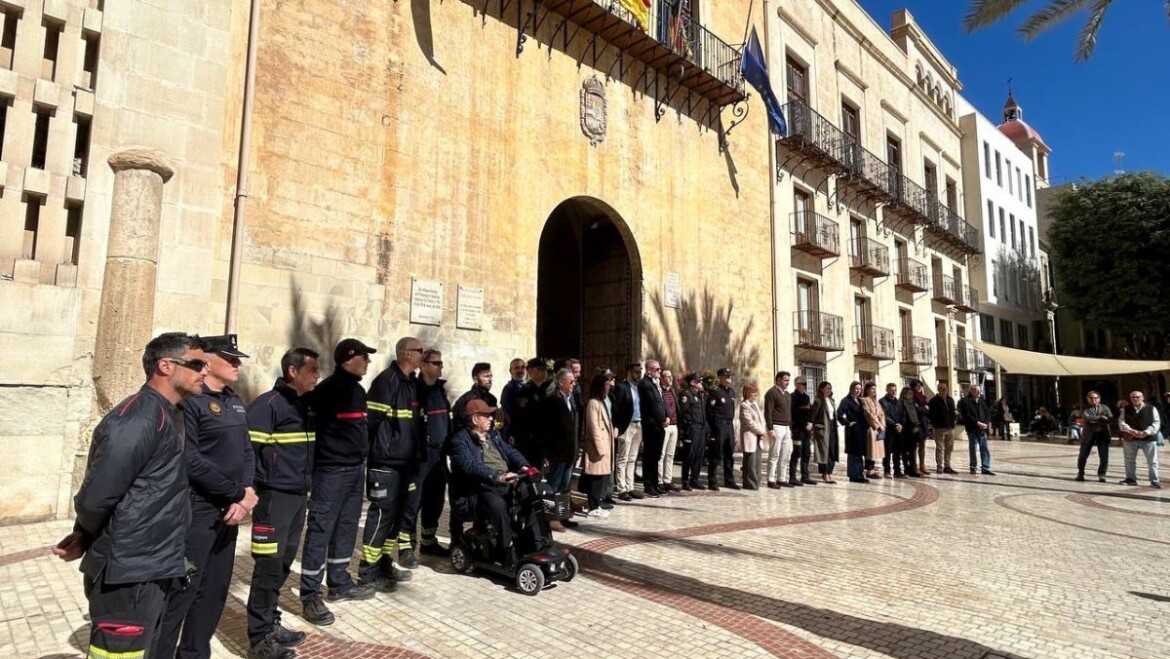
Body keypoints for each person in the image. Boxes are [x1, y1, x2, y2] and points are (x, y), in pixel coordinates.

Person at [53, 333, 206, 659]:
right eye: (196, 364)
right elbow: (96, 497)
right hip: (129, 572)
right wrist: (85, 533)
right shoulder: (139, 418)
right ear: (165, 366)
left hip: (154, 566)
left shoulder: (170, 412)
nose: (204, 371)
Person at [156, 334, 258, 659]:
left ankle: (195, 654)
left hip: (229, 512)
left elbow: (247, 450)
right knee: (182, 592)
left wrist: (245, 494)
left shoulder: (234, 400)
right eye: (230, 358)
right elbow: (191, 459)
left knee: (214, 592)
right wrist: (237, 493)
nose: (237, 364)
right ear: (208, 361)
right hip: (198, 510)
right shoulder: (190, 402)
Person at [244, 347, 320, 659]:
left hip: (298, 497)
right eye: (312, 370)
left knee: (284, 563)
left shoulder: (306, 405)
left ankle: (270, 621)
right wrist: (248, 492)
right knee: (268, 565)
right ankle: (259, 638)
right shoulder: (268, 405)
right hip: (273, 500)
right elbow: (247, 453)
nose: (317, 376)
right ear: (292, 371)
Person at [299, 338, 378, 626]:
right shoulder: (326, 390)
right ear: (349, 358)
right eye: (364, 357)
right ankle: (310, 595)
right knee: (321, 529)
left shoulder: (358, 390)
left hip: (355, 470)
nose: (368, 362)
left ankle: (339, 582)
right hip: (330, 472)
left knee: (347, 526)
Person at [359, 337, 426, 588]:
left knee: (397, 516)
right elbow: (370, 422)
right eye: (419, 351)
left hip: (405, 464)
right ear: (406, 353)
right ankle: (368, 571)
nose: (422, 355)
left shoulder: (410, 384)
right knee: (381, 515)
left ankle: (384, 562)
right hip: (385, 463)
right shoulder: (386, 382)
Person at [448, 399, 540, 568]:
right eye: (486, 416)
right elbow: (470, 466)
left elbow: (510, 451)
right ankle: (507, 549)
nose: (491, 418)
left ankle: (534, 542)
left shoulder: (494, 435)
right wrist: (497, 476)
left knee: (533, 496)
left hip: (505, 481)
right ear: (475, 419)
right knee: (497, 506)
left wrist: (524, 466)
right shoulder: (460, 440)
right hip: (479, 487)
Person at [406, 349, 452, 558]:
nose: (440, 367)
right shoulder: (414, 390)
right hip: (419, 456)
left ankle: (429, 542)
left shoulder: (440, 391)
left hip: (439, 456)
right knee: (413, 501)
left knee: (435, 500)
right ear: (423, 366)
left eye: (441, 363)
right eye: (436, 363)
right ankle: (407, 547)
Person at [543, 368, 581, 530]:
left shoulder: (571, 399)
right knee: (553, 486)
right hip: (557, 452)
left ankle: (563, 516)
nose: (574, 384)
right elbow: (547, 429)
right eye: (571, 381)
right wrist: (546, 453)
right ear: (561, 382)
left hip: (570, 451)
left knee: (565, 487)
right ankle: (550, 519)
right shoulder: (552, 400)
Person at [581, 372, 615, 517]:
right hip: (597, 447)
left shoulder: (602, 402)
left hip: (606, 446)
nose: (609, 387)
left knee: (602, 477)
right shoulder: (593, 403)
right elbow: (594, 427)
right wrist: (600, 448)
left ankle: (598, 503)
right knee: (595, 477)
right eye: (606, 384)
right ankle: (593, 506)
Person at [611, 363, 645, 500]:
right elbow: (616, 408)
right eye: (636, 372)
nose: (638, 375)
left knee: (632, 458)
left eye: (639, 372)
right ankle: (621, 488)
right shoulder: (621, 387)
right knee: (622, 458)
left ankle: (630, 487)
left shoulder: (639, 388)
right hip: (627, 426)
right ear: (629, 372)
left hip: (639, 424)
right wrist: (617, 426)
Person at [510, 358, 550, 464]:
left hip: (544, 438)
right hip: (529, 440)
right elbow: (519, 417)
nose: (544, 372)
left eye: (544, 369)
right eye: (540, 369)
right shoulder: (525, 391)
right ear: (531, 371)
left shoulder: (547, 390)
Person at [638, 359, 669, 497]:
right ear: (649, 370)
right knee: (649, 456)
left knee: (656, 456)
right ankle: (649, 485)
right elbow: (652, 404)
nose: (659, 371)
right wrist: (660, 418)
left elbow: (661, 403)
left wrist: (666, 417)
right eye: (657, 369)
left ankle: (656, 484)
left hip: (659, 425)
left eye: (660, 369)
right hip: (650, 425)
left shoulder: (656, 384)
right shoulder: (645, 384)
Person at [1118, 391, 1161, 488]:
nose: (1135, 399)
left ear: (1142, 397)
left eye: (1137, 397)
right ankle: (1130, 479)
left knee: (1152, 461)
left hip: (1148, 439)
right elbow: (1121, 422)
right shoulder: (1125, 409)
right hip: (1131, 438)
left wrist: (1146, 432)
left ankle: (1154, 480)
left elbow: (1156, 422)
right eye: (1133, 397)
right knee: (1129, 460)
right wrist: (1131, 430)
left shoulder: (1152, 408)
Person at [706, 368, 739, 490]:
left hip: (729, 425)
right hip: (719, 426)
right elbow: (709, 412)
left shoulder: (731, 392)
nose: (729, 378)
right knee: (716, 454)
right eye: (727, 376)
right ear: (720, 377)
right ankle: (712, 481)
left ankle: (729, 480)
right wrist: (712, 429)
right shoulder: (715, 392)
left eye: (730, 376)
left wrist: (733, 432)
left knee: (729, 454)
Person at [678, 373, 709, 490]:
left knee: (699, 455)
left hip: (701, 428)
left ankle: (694, 479)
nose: (701, 383)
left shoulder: (701, 395)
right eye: (698, 381)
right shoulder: (686, 395)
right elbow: (683, 412)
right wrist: (688, 426)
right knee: (689, 455)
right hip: (692, 428)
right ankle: (685, 481)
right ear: (692, 383)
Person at [763, 371, 793, 489]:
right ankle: (771, 480)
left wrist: (790, 426)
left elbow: (789, 412)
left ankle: (781, 478)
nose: (788, 383)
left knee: (785, 454)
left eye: (788, 380)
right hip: (776, 427)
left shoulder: (787, 395)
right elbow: (768, 412)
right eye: (785, 380)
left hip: (786, 427)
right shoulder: (771, 393)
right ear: (779, 380)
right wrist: (770, 428)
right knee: (774, 454)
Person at [958, 385, 994, 476]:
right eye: (973, 390)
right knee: (973, 449)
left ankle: (985, 467)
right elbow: (967, 415)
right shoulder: (965, 401)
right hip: (972, 429)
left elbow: (987, 413)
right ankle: (973, 467)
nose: (976, 392)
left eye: (977, 390)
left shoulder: (982, 401)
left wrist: (985, 423)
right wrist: (977, 423)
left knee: (984, 449)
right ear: (970, 391)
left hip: (982, 430)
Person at [452, 363, 497, 434]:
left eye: (491, 376)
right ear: (475, 379)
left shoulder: (492, 399)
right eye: (486, 376)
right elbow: (457, 423)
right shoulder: (465, 400)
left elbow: (492, 423)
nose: (490, 380)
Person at [1077, 391, 1112, 483]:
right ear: (1088, 399)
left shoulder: (1105, 408)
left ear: (1099, 399)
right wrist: (1101, 418)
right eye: (1091, 398)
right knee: (1083, 455)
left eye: (1095, 398)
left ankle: (1102, 474)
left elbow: (1110, 418)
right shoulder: (1085, 408)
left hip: (1102, 435)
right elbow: (1086, 417)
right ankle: (1080, 473)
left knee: (1104, 456)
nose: (1093, 400)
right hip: (1088, 435)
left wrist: (1096, 419)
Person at [837, 382, 868, 483]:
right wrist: (848, 423)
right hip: (853, 430)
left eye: (860, 389)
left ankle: (860, 474)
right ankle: (854, 475)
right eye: (856, 388)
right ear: (851, 389)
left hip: (861, 429)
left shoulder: (860, 400)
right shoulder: (846, 401)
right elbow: (839, 414)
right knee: (853, 453)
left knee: (860, 453)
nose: (858, 390)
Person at [739, 383, 766, 490]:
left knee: (757, 461)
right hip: (750, 436)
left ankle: (756, 482)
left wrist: (762, 431)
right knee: (750, 462)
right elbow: (749, 422)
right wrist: (760, 431)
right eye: (753, 393)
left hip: (758, 436)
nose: (755, 395)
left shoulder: (754, 404)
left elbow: (760, 419)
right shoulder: (744, 405)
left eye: (756, 393)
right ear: (748, 393)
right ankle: (750, 484)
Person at [790, 377, 816, 486]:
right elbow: (794, 414)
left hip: (807, 431)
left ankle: (805, 476)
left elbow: (810, 412)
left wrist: (811, 423)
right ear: (797, 385)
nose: (805, 386)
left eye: (806, 384)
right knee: (797, 452)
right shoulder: (792, 397)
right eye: (803, 384)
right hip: (798, 430)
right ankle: (792, 477)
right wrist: (804, 424)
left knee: (806, 453)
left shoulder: (806, 397)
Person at [810, 381, 838, 483]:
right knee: (823, 452)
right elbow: (813, 416)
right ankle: (824, 473)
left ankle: (830, 472)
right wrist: (813, 429)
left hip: (832, 428)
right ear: (821, 389)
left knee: (832, 451)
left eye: (830, 388)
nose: (829, 390)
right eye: (826, 388)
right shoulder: (818, 401)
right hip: (823, 429)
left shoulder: (831, 400)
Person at [928, 382, 958, 475]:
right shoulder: (933, 401)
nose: (944, 390)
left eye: (945, 389)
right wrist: (934, 424)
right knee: (940, 448)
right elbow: (931, 414)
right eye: (942, 389)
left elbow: (953, 412)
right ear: (938, 389)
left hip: (950, 427)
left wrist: (954, 421)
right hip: (939, 428)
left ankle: (947, 466)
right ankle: (939, 466)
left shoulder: (950, 400)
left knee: (949, 448)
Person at [659, 369, 680, 492]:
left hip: (674, 425)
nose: (670, 379)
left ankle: (667, 480)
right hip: (665, 426)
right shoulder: (659, 391)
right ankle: (659, 481)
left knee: (670, 455)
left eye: (671, 376)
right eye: (667, 377)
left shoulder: (672, 390)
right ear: (662, 378)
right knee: (661, 454)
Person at [878, 383, 904, 478]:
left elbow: (903, 414)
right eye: (892, 390)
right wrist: (895, 424)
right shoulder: (882, 402)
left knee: (897, 451)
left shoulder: (899, 403)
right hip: (888, 430)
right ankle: (887, 470)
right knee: (887, 451)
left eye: (895, 390)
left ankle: (897, 470)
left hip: (898, 430)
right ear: (887, 390)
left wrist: (901, 424)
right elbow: (883, 415)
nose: (894, 392)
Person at [861, 383, 886, 480]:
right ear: (867, 390)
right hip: (871, 428)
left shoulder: (876, 401)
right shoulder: (864, 400)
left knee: (876, 451)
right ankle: (869, 470)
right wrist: (878, 425)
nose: (874, 391)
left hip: (879, 429)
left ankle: (872, 469)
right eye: (872, 389)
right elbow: (868, 414)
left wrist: (883, 425)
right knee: (870, 450)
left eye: (875, 389)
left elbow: (881, 414)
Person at [499, 357, 527, 441]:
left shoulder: (528, 387)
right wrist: (514, 433)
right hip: (514, 435)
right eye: (517, 368)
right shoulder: (509, 389)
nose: (520, 370)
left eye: (523, 367)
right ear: (511, 371)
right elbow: (507, 414)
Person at [898, 386, 923, 477]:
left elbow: (919, 412)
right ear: (904, 394)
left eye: (912, 394)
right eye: (909, 393)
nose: (910, 395)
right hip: (906, 430)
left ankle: (913, 469)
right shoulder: (901, 404)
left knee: (913, 451)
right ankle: (906, 468)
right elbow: (902, 417)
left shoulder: (913, 403)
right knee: (905, 451)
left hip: (915, 429)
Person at [911, 380, 932, 474]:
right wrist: (925, 408)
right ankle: (914, 465)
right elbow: (917, 409)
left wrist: (924, 408)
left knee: (922, 444)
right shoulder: (912, 396)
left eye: (920, 386)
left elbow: (927, 409)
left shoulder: (922, 396)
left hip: (924, 423)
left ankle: (922, 465)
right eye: (917, 386)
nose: (919, 387)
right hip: (916, 423)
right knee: (914, 445)